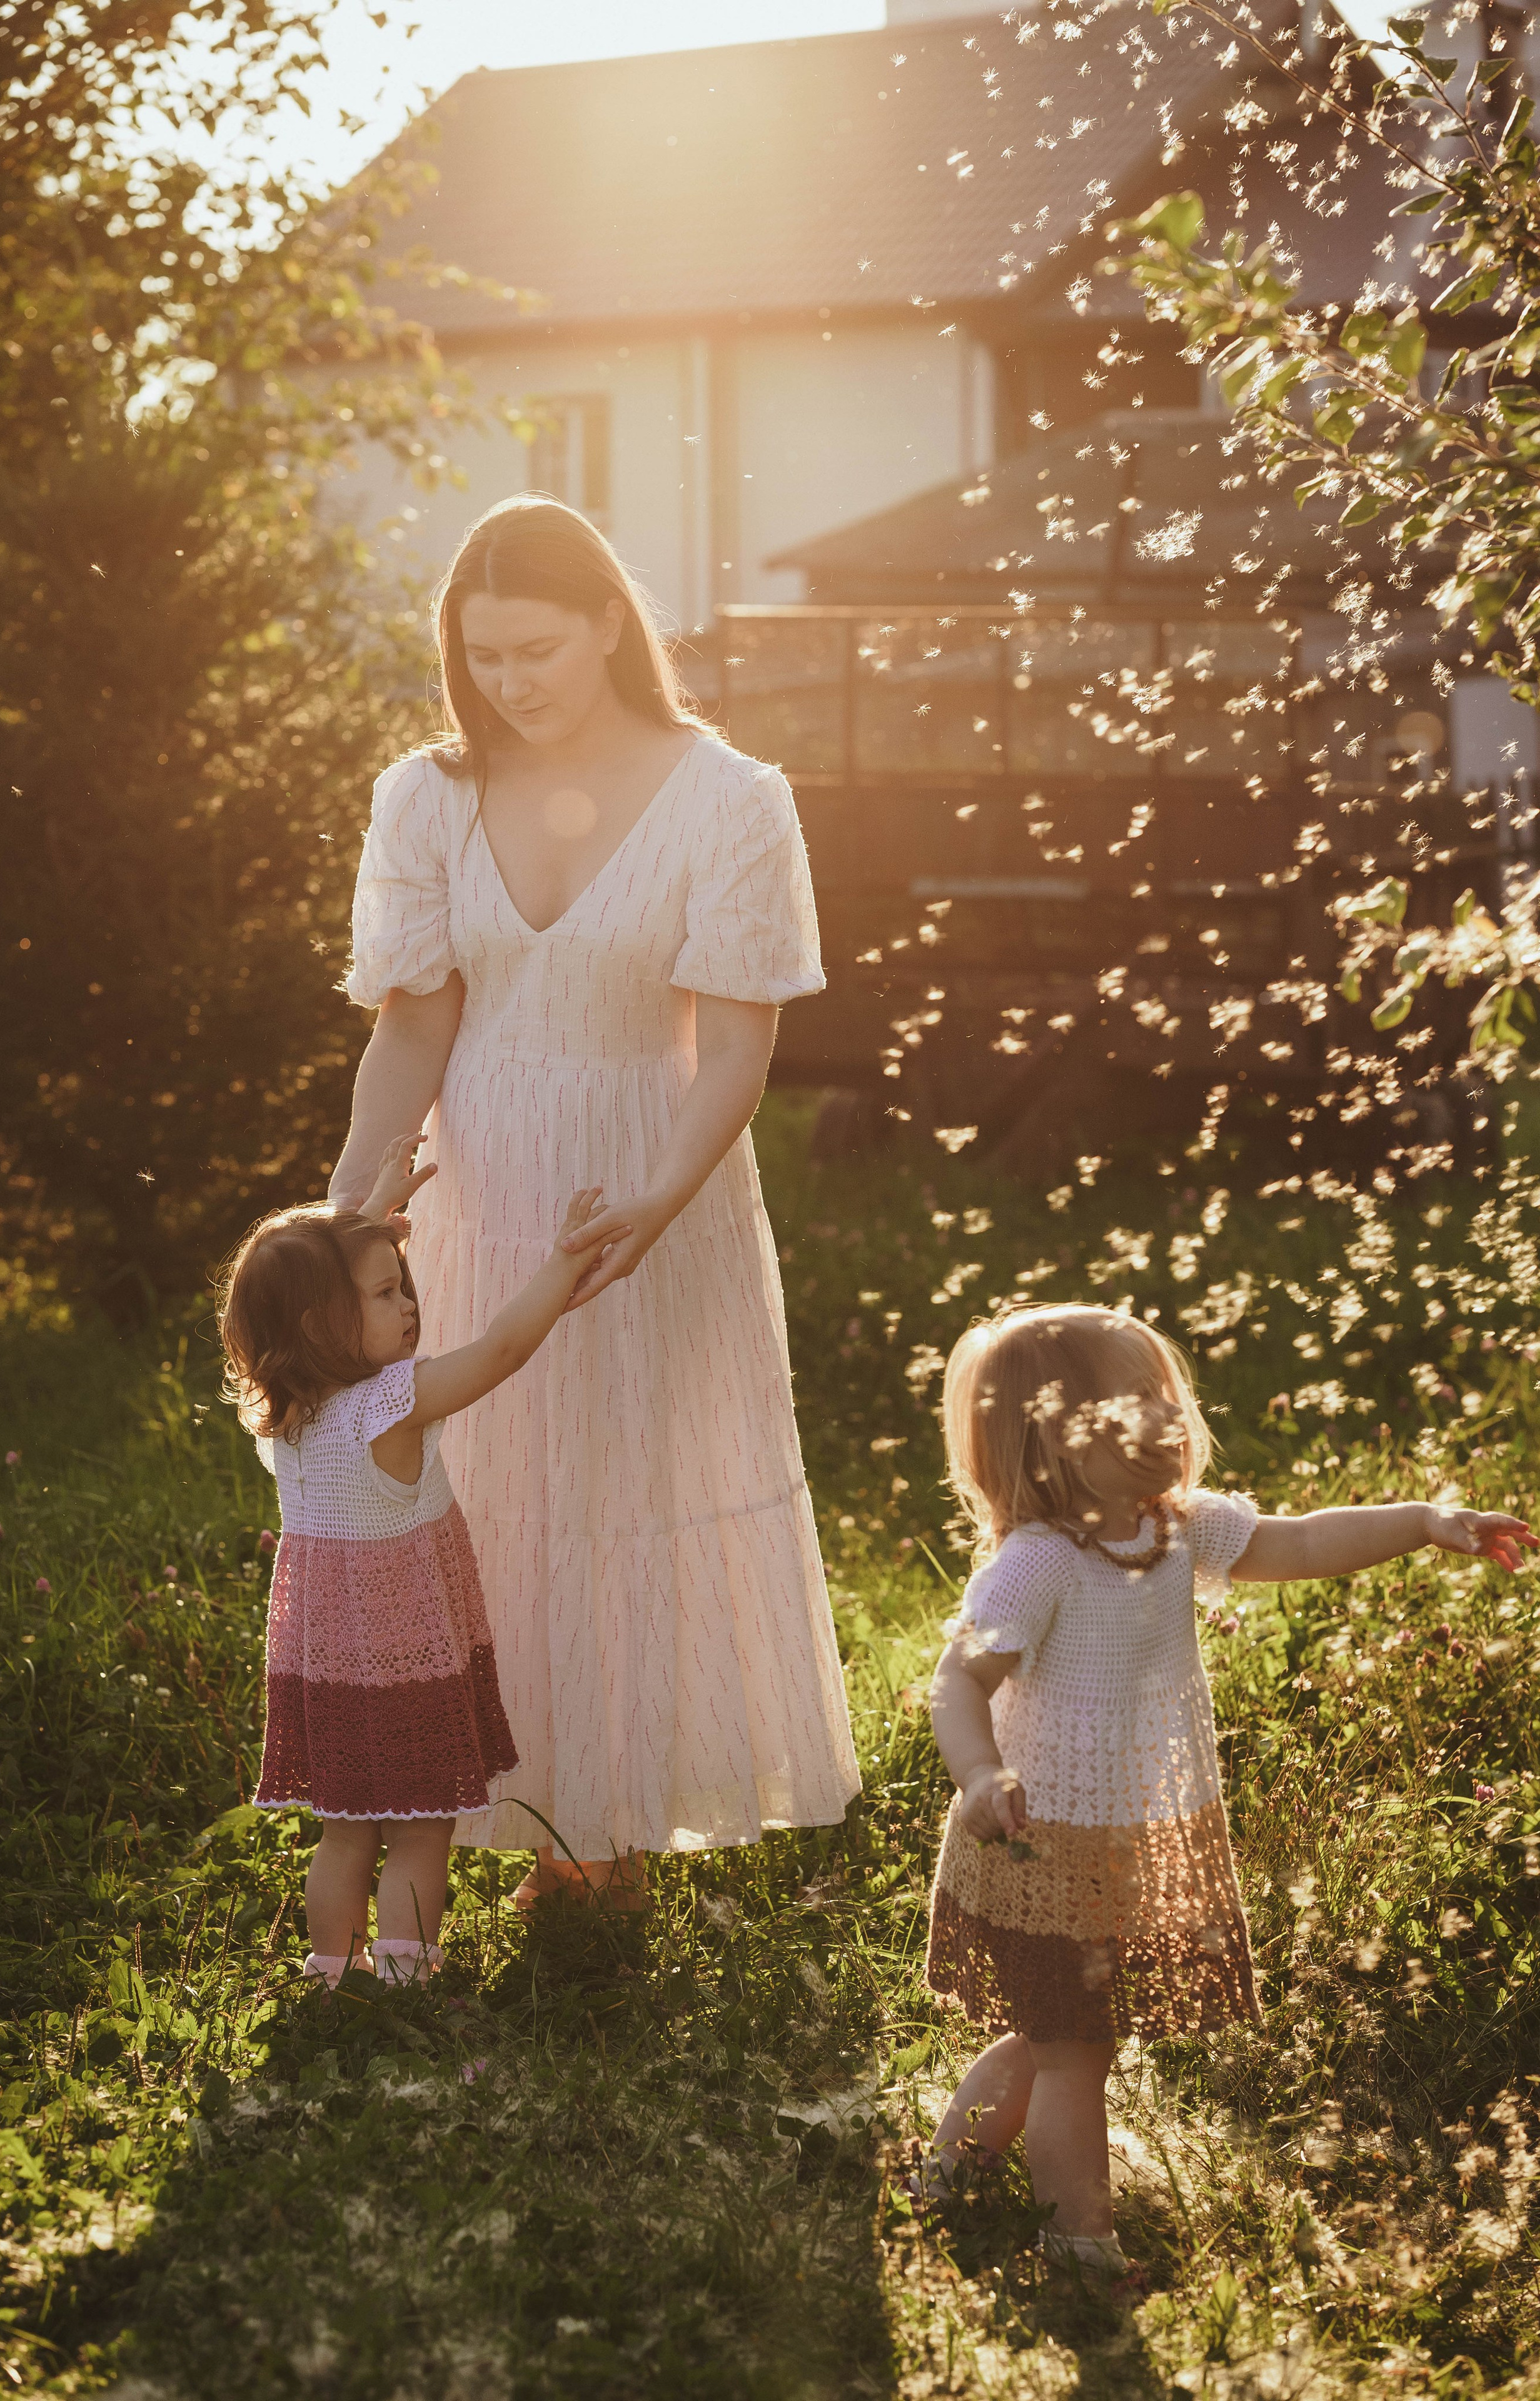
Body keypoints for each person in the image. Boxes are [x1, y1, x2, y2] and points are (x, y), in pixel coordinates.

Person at [328, 495, 859, 1910]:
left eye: (536, 650)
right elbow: (411, 1029)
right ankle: (479, 1811)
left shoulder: (732, 799)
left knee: (621, 1492)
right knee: (483, 1498)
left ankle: (603, 1837)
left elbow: (737, 1046)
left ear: (611, 624)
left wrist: (658, 1198)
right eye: (481, 654)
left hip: (647, 1181)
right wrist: (347, 1218)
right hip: (479, 1174)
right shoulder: (423, 795)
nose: (507, 682)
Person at [921, 1301, 1532, 2273]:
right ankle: (1079, 2245)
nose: (1170, 1420)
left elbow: (1297, 1543)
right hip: (1038, 1837)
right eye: (1135, 1409)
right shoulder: (1037, 1566)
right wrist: (980, 1772)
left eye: (1168, 1398)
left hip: (1126, 1838)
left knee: (1063, 2034)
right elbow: (958, 1679)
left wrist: (1423, 1523)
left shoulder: (1177, 1530)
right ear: (1053, 1446)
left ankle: (948, 2174)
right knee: (1073, 2048)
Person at [217, 1132, 628, 1985]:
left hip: (325, 1667)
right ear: (322, 1321)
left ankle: (329, 1970)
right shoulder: (388, 1408)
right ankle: (408, 1980)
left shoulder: (288, 1415)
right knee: (417, 1827)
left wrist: (361, 1219)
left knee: (346, 1827)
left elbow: (309, 1291)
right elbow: (503, 1351)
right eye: (384, 1293)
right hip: (403, 1665)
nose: (408, 1303)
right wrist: (560, 1264)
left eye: (402, 1287)